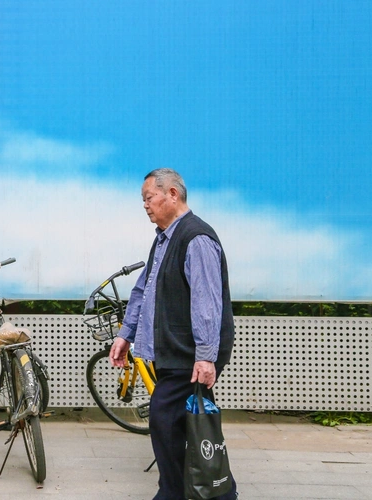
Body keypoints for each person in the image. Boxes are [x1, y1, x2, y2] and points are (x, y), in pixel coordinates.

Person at [109, 168, 237, 500]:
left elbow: (207, 303)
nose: (145, 205)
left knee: (165, 421)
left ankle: (173, 493)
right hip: (176, 351)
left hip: (188, 353)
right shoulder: (163, 239)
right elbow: (143, 290)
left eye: (148, 197)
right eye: (143, 199)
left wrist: (205, 357)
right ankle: (216, 491)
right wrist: (126, 334)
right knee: (191, 425)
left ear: (172, 194)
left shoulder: (196, 238)